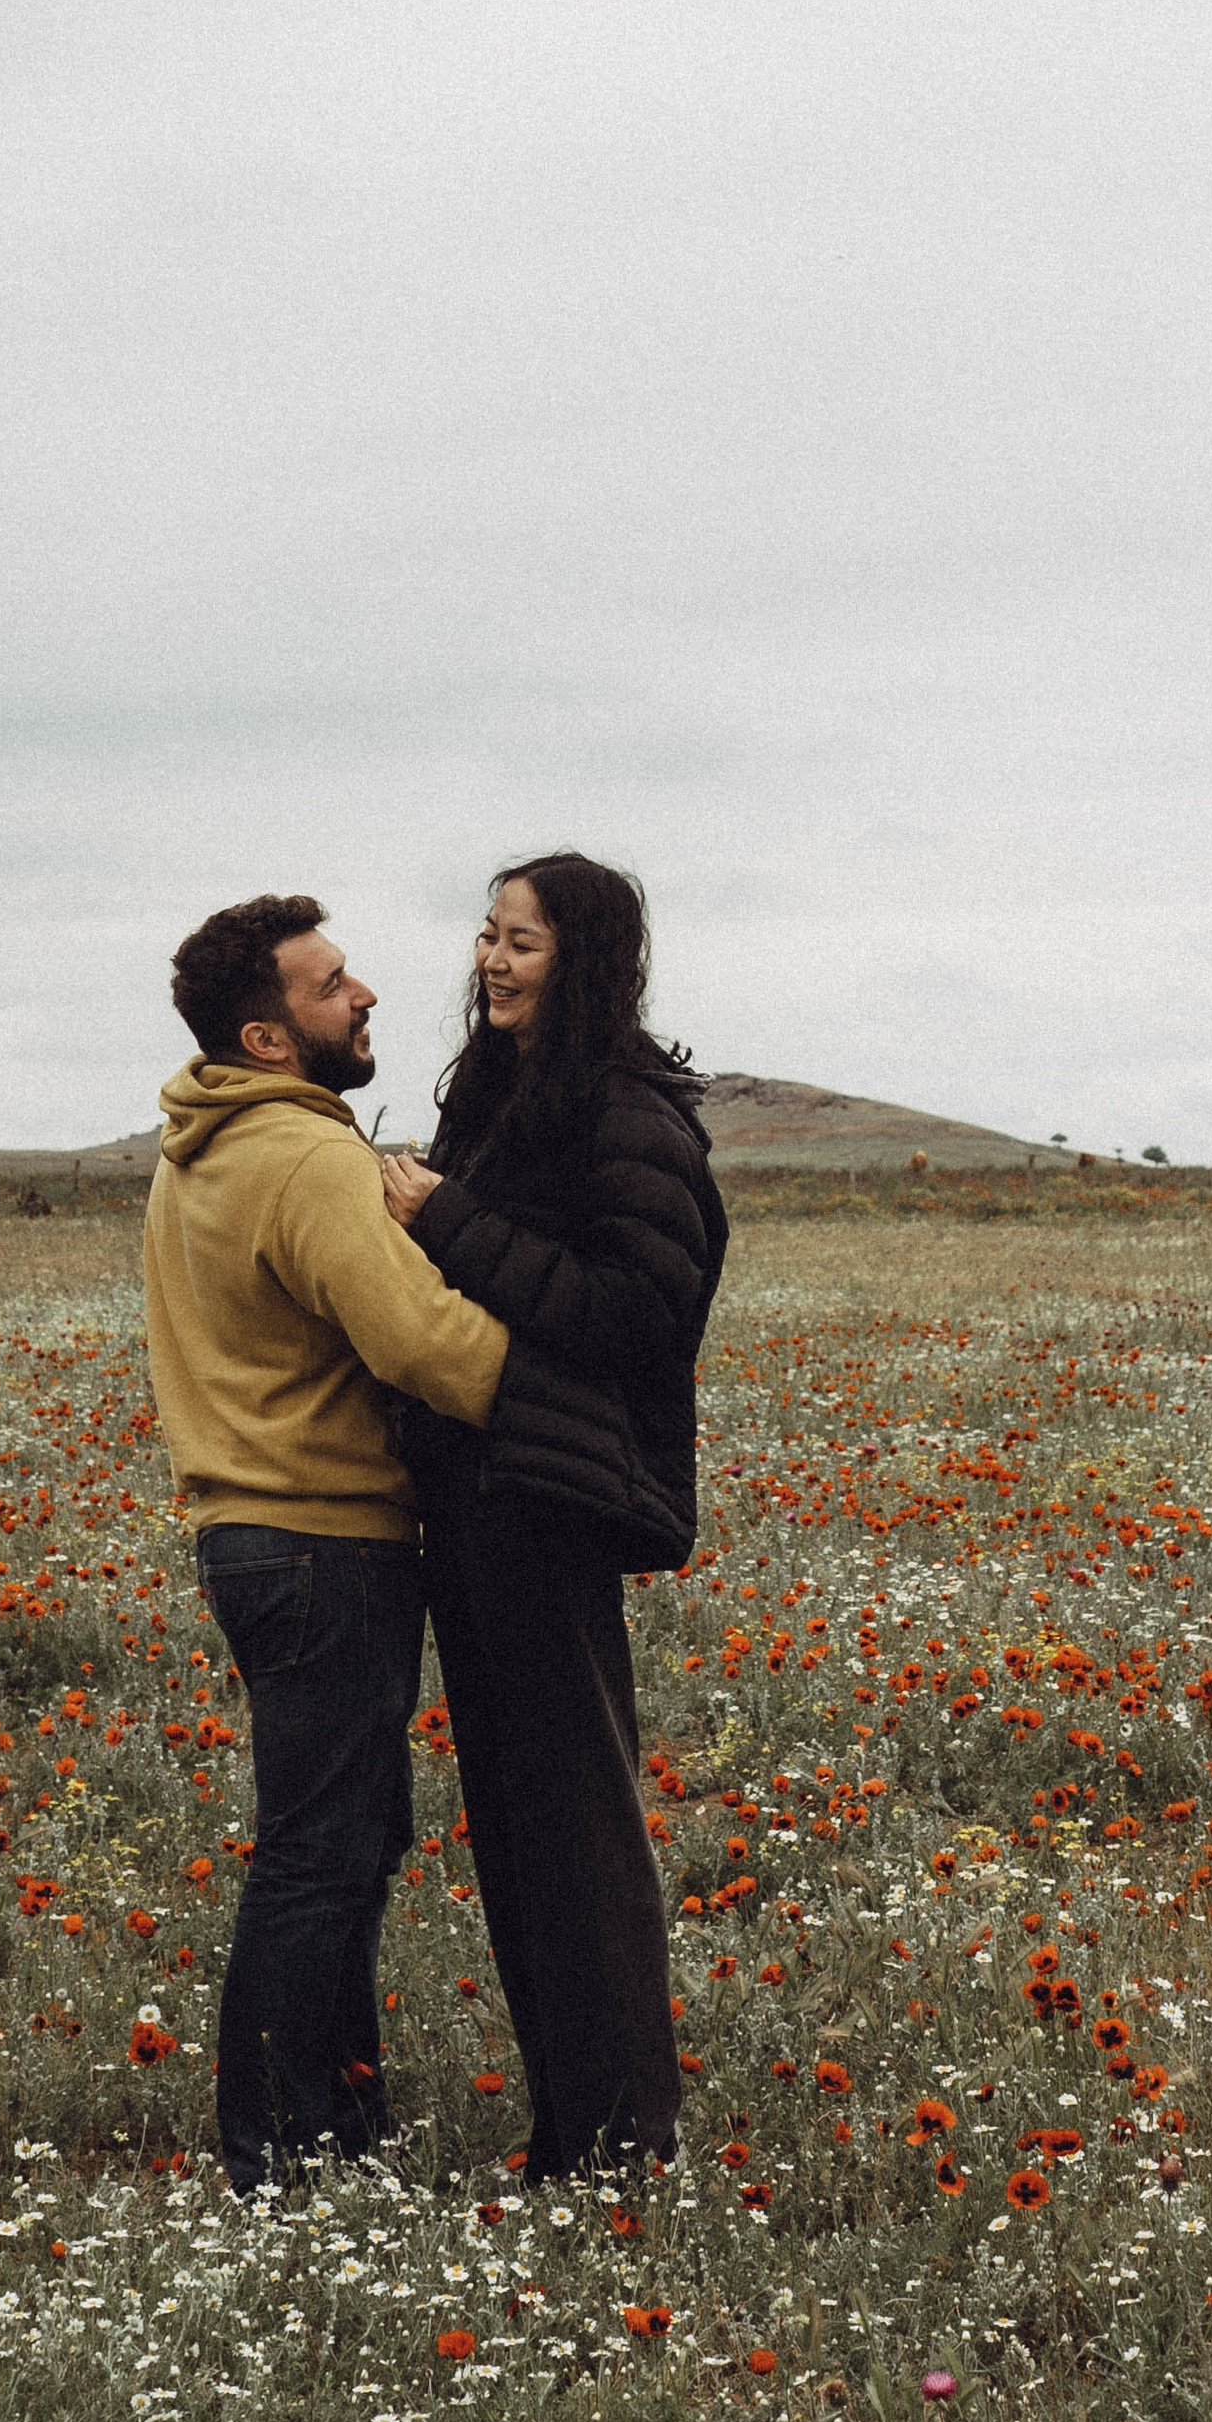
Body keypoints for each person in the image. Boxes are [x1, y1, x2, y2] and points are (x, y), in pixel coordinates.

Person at [143, 892, 511, 2196]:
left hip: (261, 1536)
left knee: (342, 1839)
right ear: (270, 1034)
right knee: (320, 1850)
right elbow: (420, 1341)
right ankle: (278, 2154)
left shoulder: (205, 1145)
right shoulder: (303, 1160)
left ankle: (337, 2123)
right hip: (322, 1537)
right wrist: (564, 1375)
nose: (364, 996)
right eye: (331, 985)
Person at [380, 852, 726, 2183]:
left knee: (574, 1824)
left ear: (581, 957)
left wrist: (450, 1221)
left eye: (521, 940)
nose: (493, 960)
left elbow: (642, 1316)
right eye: (485, 935)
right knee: (522, 1833)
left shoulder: (625, 1109)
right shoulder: (504, 1092)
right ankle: (573, 2135)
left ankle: (623, 2142)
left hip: (553, 1498)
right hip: (481, 1493)